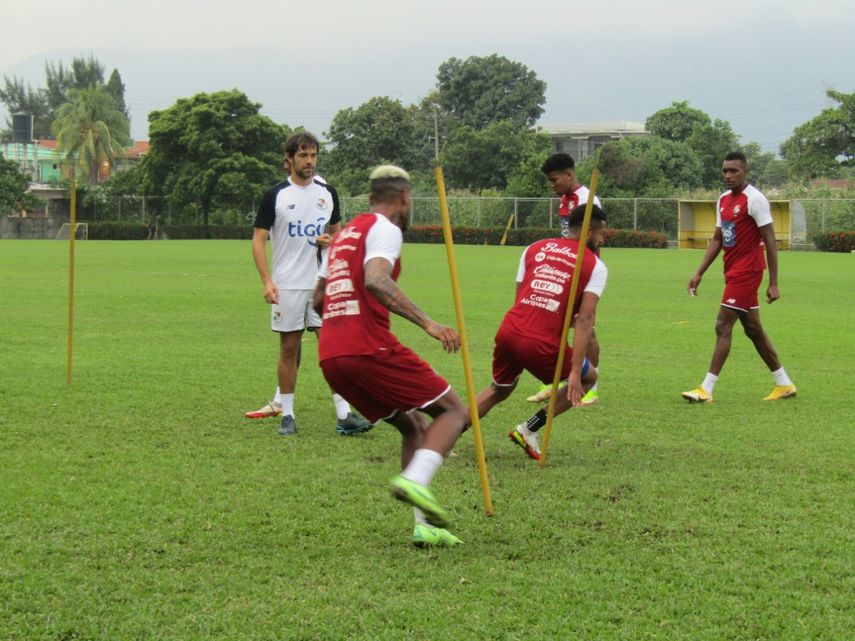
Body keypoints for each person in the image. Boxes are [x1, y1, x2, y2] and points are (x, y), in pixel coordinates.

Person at [312, 165, 469, 547]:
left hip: (331, 356)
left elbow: (318, 299)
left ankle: (424, 526)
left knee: (413, 425)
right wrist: (429, 323)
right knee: (454, 412)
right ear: (403, 198)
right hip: (365, 346)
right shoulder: (386, 228)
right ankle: (415, 480)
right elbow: (376, 279)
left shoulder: (343, 234)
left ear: (370, 197)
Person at [249, 131, 372, 436]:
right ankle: (287, 415)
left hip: (321, 285)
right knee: (289, 348)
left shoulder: (327, 192)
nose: (309, 161)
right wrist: (267, 281)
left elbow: (339, 235)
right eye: (303, 155)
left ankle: (344, 414)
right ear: (289, 159)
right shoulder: (275, 195)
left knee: (332, 349)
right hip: (287, 285)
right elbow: (258, 240)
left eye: (314, 155)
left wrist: (331, 240)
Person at [476, 204, 609, 461]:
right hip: (541, 342)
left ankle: (444, 436)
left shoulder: (534, 247)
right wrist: (572, 371)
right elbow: (584, 321)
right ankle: (528, 430)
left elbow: (522, 295)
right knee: (587, 378)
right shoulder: (596, 266)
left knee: (498, 389)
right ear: (589, 230)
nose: (602, 239)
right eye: (601, 234)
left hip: (509, 330)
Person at [682, 151, 796, 403]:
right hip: (732, 270)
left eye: (733, 171)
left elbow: (770, 241)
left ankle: (706, 388)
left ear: (745, 171)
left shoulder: (755, 200)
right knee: (753, 329)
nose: (727, 176)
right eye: (725, 171)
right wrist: (699, 272)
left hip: (748, 272)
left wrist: (773, 282)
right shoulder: (723, 200)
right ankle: (784, 383)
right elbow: (718, 239)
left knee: (723, 325)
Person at [527, 153, 604, 406]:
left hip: (582, 273)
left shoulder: (587, 199)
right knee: (558, 326)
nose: (552, 184)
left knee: (587, 329)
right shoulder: (565, 199)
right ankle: (554, 381)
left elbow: (595, 243)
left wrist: (589, 277)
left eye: (555, 179)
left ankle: (592, 385)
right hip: (564, 272)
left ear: (569, 175)